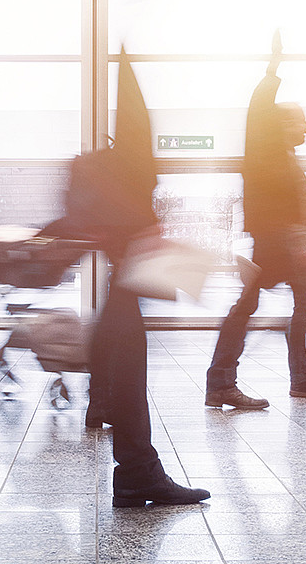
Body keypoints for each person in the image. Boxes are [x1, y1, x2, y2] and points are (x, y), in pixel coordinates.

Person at [48, 52, 209, 508]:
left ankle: (132, 459)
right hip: (127, 278)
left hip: (125, 277)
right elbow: (136, 149)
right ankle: (138, 472)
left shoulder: (107, 168)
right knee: (126, 356)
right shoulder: (129, 162)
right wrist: (143, 227)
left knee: (119, 352)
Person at [206, 32, 306, 409]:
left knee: (284, 311)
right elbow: (259, 108)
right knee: (262, 311)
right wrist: (273, 66)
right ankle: (230, 382)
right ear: (277, 125)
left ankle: (296, 380)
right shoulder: (264, 148)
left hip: (287, 243)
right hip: (277, 243)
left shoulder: (283, 154)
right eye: (300, 122)